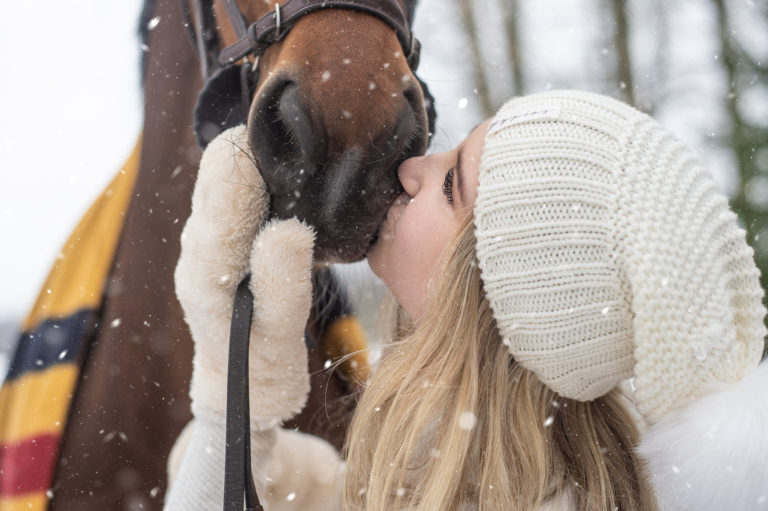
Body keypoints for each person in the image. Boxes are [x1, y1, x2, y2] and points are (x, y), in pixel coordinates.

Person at [164, 90, 768, 510]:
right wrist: (241, 382)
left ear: (505, 297)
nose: (412, 168)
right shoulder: (432, 476)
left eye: (451, 184)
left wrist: (224, 412)